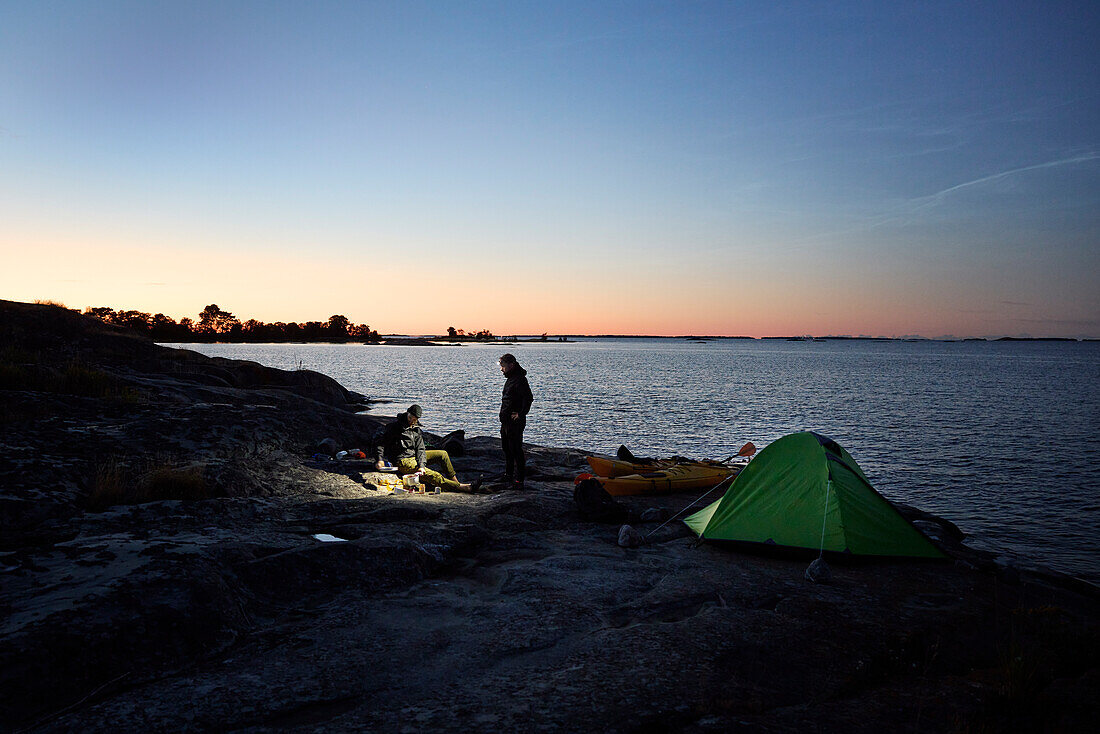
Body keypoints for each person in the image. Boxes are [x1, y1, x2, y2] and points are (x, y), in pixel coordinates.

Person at [373, 404, 480, 492]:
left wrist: (421, 465)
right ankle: (464, 487)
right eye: (410, 418)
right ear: (407, 413)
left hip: (414, 457)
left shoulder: (416, 429)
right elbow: (381, 443)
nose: (411, 421)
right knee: (434, 474)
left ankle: (455, 482)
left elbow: (420, 449)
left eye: (414, 419)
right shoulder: (394, 427)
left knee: (443, 454)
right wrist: (380, 460)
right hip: (402, 461)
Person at [498, 353, 534, 488]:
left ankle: (519, 479)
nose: (501, 369)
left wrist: (521, 413)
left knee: (516, 449)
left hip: (514, 422)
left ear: (511, 365)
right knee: (506, 448)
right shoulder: (511, 379)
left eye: (503, 366)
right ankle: (508, 474)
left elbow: (528, 397)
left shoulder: (520, 380)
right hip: (506, 420)